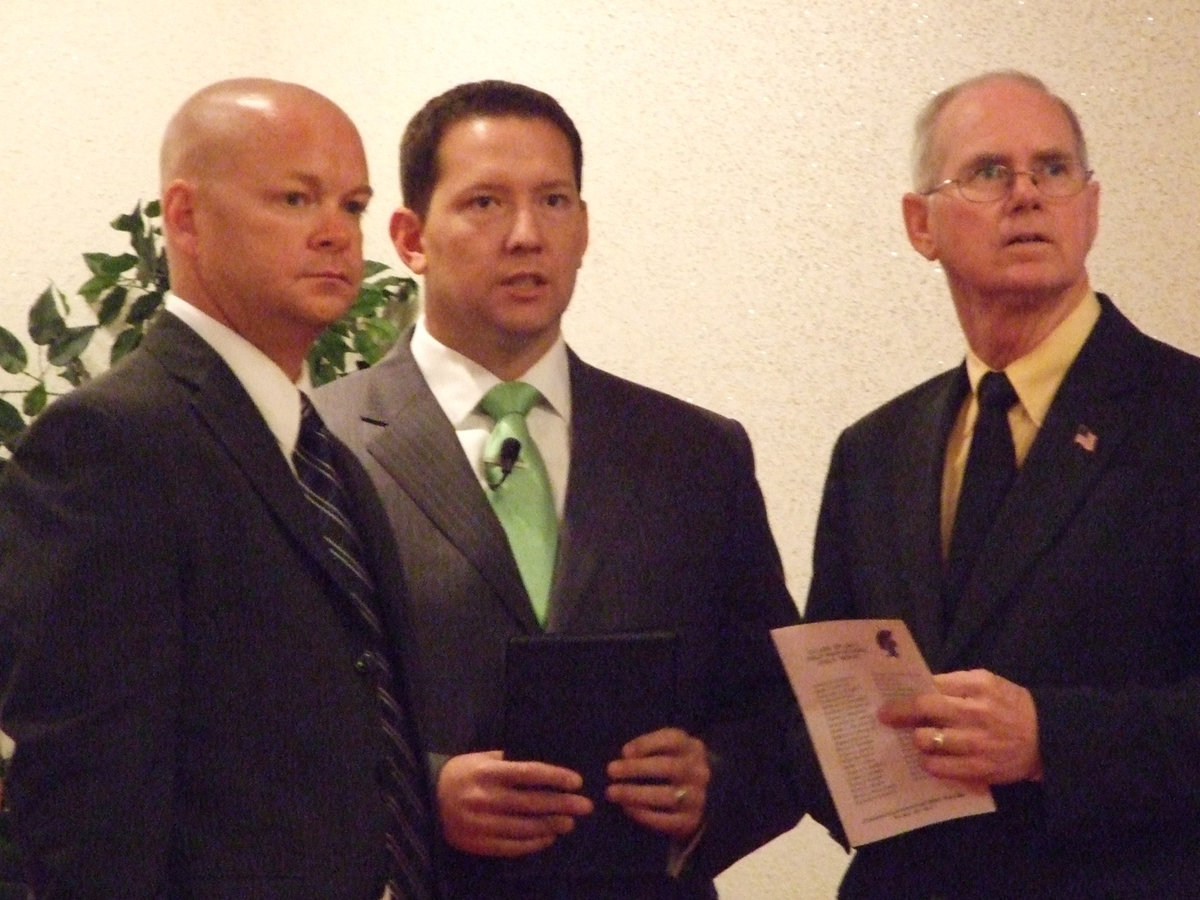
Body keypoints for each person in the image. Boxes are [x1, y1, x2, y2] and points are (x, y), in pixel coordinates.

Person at [315, 79, 808, 899]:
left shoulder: (697, 455)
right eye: (483, 202)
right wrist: (421, 793)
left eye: (554, 200)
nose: (526, 235)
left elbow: (781, 711)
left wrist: (713, 780)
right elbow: (263, 726)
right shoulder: (319, 448)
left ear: (583, 228)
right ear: (410, 236)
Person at [0, 78, 437, 899]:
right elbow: (86, 801)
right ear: (188, 217)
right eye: (296, 198)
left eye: (352, 204)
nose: (336, 234)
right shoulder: (109, 442)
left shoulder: (326, 458)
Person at [804, 69, 1200, 896]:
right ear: (921, 225)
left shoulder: (1184, 418)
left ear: (1089, 208)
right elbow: (828, 716)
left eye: (1053, 170)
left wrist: (1049, 738)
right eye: (989, 173)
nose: (1026, 195)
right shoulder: (872, 454)